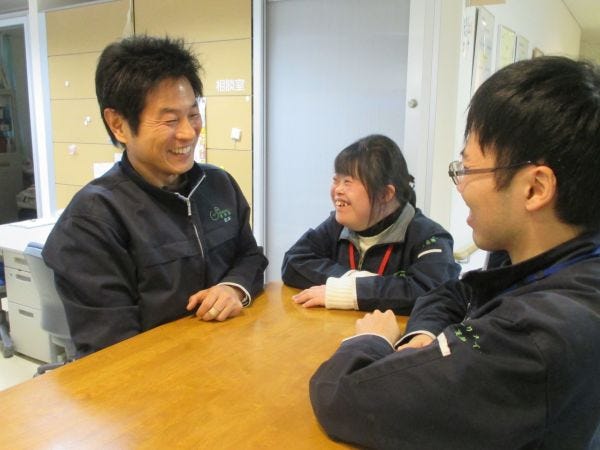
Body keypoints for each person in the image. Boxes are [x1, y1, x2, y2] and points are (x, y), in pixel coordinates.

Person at [309, 56, 600, 449]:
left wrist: (373, 339)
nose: (460, 185)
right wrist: (423, 335)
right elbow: (454, 292)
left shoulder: (532, 336)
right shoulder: (535, 259)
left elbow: (342, 396)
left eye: (468, 169)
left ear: (534, 188)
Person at [42, 35, 267, 357]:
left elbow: (249, 255)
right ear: (118, 124)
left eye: (193, 114)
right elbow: (114, 352)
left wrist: (232, 288)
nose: (188, 132)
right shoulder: (93, 219)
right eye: (170, 120)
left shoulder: (218, 184)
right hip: (157, 376)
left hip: (227, 359)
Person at [281, 134, 460, 314]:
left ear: (385, 194)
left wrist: (352, 292)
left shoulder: (428, 236)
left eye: (347, 182)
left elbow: (433, 290)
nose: (338, 190)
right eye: (336, 180)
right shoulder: (338, 225)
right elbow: (293, 262)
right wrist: (352, 279)